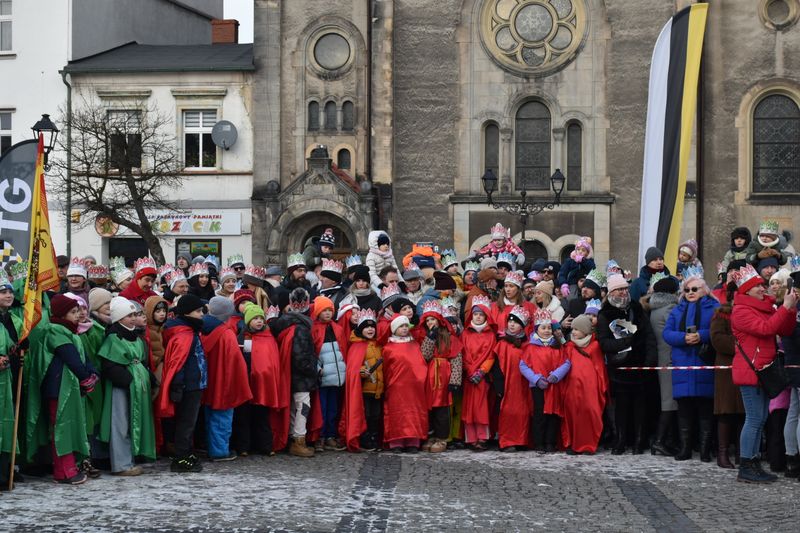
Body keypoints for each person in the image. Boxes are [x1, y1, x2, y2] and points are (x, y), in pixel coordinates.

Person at [730, 263, 797, 483]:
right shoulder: (741, 311)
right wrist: (785, 307)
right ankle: (746, 465)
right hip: (751, 371)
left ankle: (754, 462)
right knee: (754, 419)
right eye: (757, 286)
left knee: (760, 418)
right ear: (746, 290)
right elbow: (767, 329)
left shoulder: (765, 307)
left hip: (763, 370)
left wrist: (791, 308)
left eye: (762, 284)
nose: (762, 288)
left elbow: (785, 329)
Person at [25, 294, 99, 485]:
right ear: (61, 314)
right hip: (59, 388)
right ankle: (64, 471)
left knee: (70, 427)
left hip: (70, 388)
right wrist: (86, 378)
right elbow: (71, 357)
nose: (78, 315)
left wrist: (92, 373)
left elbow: (83, 357)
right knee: (62, 429)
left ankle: (71, 466)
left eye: (78, 311)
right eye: (73, 312)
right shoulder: (55, 331)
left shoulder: (70, 331)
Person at [662, 267, 720, 462]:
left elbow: (718, 330)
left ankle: (704, 450)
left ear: (704, 290)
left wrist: (701, 336)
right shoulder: (677, 310)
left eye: (695, 289)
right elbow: (667, 333)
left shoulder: (714, 307)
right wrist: (683, 338)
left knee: (705, 410)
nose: (690, 293)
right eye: (687, 290)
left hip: (704, 362)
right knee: (684, 410)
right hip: (683, 363)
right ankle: (685, 449)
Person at [597, 274, 657, 455]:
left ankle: (639, 441)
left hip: (640, 366)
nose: (623, 292)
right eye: (619, 289)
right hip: (619, 367)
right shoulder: (605, 313)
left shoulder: (637, 308)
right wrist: (624, 343)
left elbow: (649, 335)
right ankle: (621, 440)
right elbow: (604, 343)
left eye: (625, 288)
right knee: (621, 407)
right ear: (611, 293)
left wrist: (649, 361)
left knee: (641, 407)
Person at [96, 297, 157, 476]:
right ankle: (121, 464)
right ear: (118, 318)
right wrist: (128, 381)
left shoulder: (136, 337)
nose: (133, 318)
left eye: (134, 315)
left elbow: (142, 362)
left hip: (137, 386)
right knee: (120, 423)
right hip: (123, 387)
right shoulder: (114, 338)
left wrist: (151, 379)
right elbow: (109, 365)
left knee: (134, 422)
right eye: (128, 315)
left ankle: (131, 459)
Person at [156, 294, 209, 473]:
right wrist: (178, 386)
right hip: (189, 386)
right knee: (186, 423)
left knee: (188, 422)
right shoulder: (184, 334)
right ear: (187, 312)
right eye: (198, 311)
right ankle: (181, 457)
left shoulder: (190, 331)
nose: (201, 314)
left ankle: (185, 452)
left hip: (194, 384)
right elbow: (178, 364)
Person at [270, 288, 322, 458]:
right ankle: (299, 441)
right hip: (301, 376)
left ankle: (293, 437)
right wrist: (312, 371)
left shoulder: (284, 323)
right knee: (303, 407)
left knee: (294, 407)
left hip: (288, 374)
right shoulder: (301, 328)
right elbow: (301, 356)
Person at [201, 297, 252, 462]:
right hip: (223, 381)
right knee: (222, 417)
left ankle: (210, 447)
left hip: (207, 380)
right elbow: (235, 362)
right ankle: (219, 451)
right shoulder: (226, 334)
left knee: (209, 415)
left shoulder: (201, 329)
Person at [641, 273, 680, 457]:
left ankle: (666, 440)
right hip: (669, 359)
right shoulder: (671, 308)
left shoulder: (655, 308)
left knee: (666, 400)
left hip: (660, 358)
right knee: (669, 402)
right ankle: (660, 441)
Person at [520, 309, 571, 452]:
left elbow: (566, 362)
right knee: (540, 414)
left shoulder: (557, 345)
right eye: (543, 328)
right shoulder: (530, 347)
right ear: (537, 329)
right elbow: (523, 366)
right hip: (538, 386)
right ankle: (539, 443)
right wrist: (536, 379)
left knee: (553, 414)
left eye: (549, 328)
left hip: (554, 385)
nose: (547, 331)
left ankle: (550, 442)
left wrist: (556, 375)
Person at [710, 278, 745, 469]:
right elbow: (717, 339)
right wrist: (740, 345)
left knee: (743, 413)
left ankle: (742, 453)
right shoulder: (722, 314)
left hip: (746, 367)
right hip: (726, 368)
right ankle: (722, 454)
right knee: (726, 411)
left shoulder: (749, 312)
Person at [419, 300, 462, 453]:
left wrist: (455, 381)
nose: (430, 323)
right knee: (429, 407)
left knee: (443, 409)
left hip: (444, 375)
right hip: (430, 376)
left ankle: (442, 437)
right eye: (427, 320)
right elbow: (424, 355)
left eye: (433, 319)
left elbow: (456, 359)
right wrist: (430, 338)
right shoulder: (426, 337)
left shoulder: (449, 337)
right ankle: (431, 435)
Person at [560, 314, 608, 455]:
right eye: (573, 329)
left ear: (585, 330)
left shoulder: (595, 346)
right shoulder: (569, 346)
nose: (573, 332)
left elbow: (600, 368)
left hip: (590, 388)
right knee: (573, 414)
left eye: (577, 329)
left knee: (590, 413)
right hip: (572, 388)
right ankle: (574, 444)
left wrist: (601, 387)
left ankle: (588, 444)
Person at [382, 315, 428, 453]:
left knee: (413, 413)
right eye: (401, 326)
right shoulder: (388, 347)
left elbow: (420, 363)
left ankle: (413, 441)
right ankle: (396, 441)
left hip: (414, 386)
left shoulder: (415, 345)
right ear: (394, 329)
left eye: (406, 326)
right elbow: (385, 368)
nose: (404, 328)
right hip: (396, 385)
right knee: (397, 413)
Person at [341, 309, 384, 452]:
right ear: (360, 329)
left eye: (372, 327)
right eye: (366, 327)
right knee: (366, 414)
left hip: (378, 388)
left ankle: (374, 438)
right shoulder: (356, 346)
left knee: (376, 416)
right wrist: (361, 371)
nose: (370, 329)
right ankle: (365, 439)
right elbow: (353, 368)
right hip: (364, 389)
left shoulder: (378, 345)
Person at [311, 296, 348, 452]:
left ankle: (330, 436)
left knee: (333, 408)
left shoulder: (337, 328)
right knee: (321, 409)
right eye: (324, 310)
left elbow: (343, 350)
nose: (327, 313)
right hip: (323, 376)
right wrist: (318, 368)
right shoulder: (314, 329)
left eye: (329, 310)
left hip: (337, 376)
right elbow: (312, 352)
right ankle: (320, 436)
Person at [460, 295, 497, 451]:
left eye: (481, 314)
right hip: (469, 376)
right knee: (469, 407)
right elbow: (463, 354)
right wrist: (469, 370)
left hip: (482, 378)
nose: (478, 317)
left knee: (482, 407)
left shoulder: (491, 335)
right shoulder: (465, 334)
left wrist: (481, 371)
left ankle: (482, 437)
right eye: (475, 314)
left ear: (486, 316)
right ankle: (471, 437)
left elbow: (491, 356)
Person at [495, 305, 533, 452]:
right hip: (506, 384)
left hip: (522, 385)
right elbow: (496, 365)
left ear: (522, 326)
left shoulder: (527, 345)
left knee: (523, 412)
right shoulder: (502, 343)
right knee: (507, 412)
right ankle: (507, 441)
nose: (511, 324)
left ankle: (521, 440)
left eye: (516, 322)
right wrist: (499, 384)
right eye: (510, 321)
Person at [0, 271, 23, 489]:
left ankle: (7, 470)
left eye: (10, 291)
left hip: (10, 375)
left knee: (9, 422)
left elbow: (14, 344)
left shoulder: (13, 318)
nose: (8, 295)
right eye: (3, 292)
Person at [782, 264, 800, 478]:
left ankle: (791, 459)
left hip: (792, 364)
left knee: (794, 412)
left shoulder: (790, 308)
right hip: (797, 364)